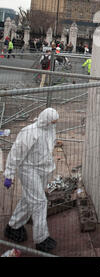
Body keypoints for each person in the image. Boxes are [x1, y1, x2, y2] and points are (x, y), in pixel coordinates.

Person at [3, 108, 59, 253]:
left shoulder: (50, 129)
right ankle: (41, 239)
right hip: (29, 170)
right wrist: (9, 174)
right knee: (40, 202)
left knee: (29, 199)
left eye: (55, 122)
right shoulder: (29, 132)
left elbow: (48, 147)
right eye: (51, 122)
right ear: (44, 119)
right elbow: (15, 153)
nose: (53, 124)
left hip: (43, 169)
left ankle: (13, 226)